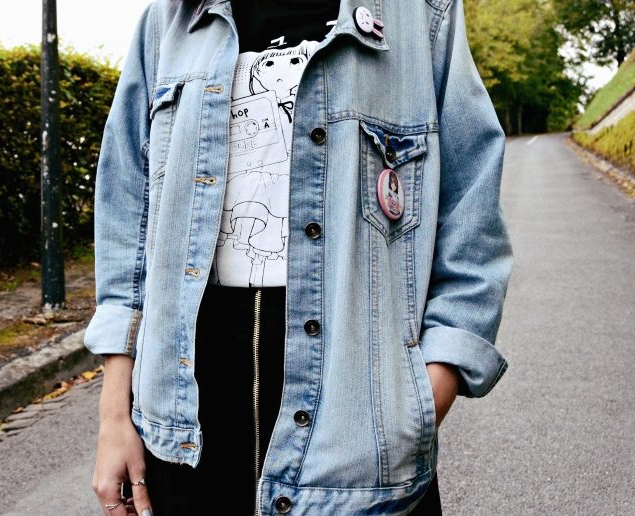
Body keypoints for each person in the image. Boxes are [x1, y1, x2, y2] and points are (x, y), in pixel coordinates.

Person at [85, 0, 513, 514]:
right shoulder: (169, 21)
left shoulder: (421, 14)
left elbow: (471, 211)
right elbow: (127, 220)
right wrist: (114, 417)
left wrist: (421, 401)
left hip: (359, 456)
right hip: (182, 443)